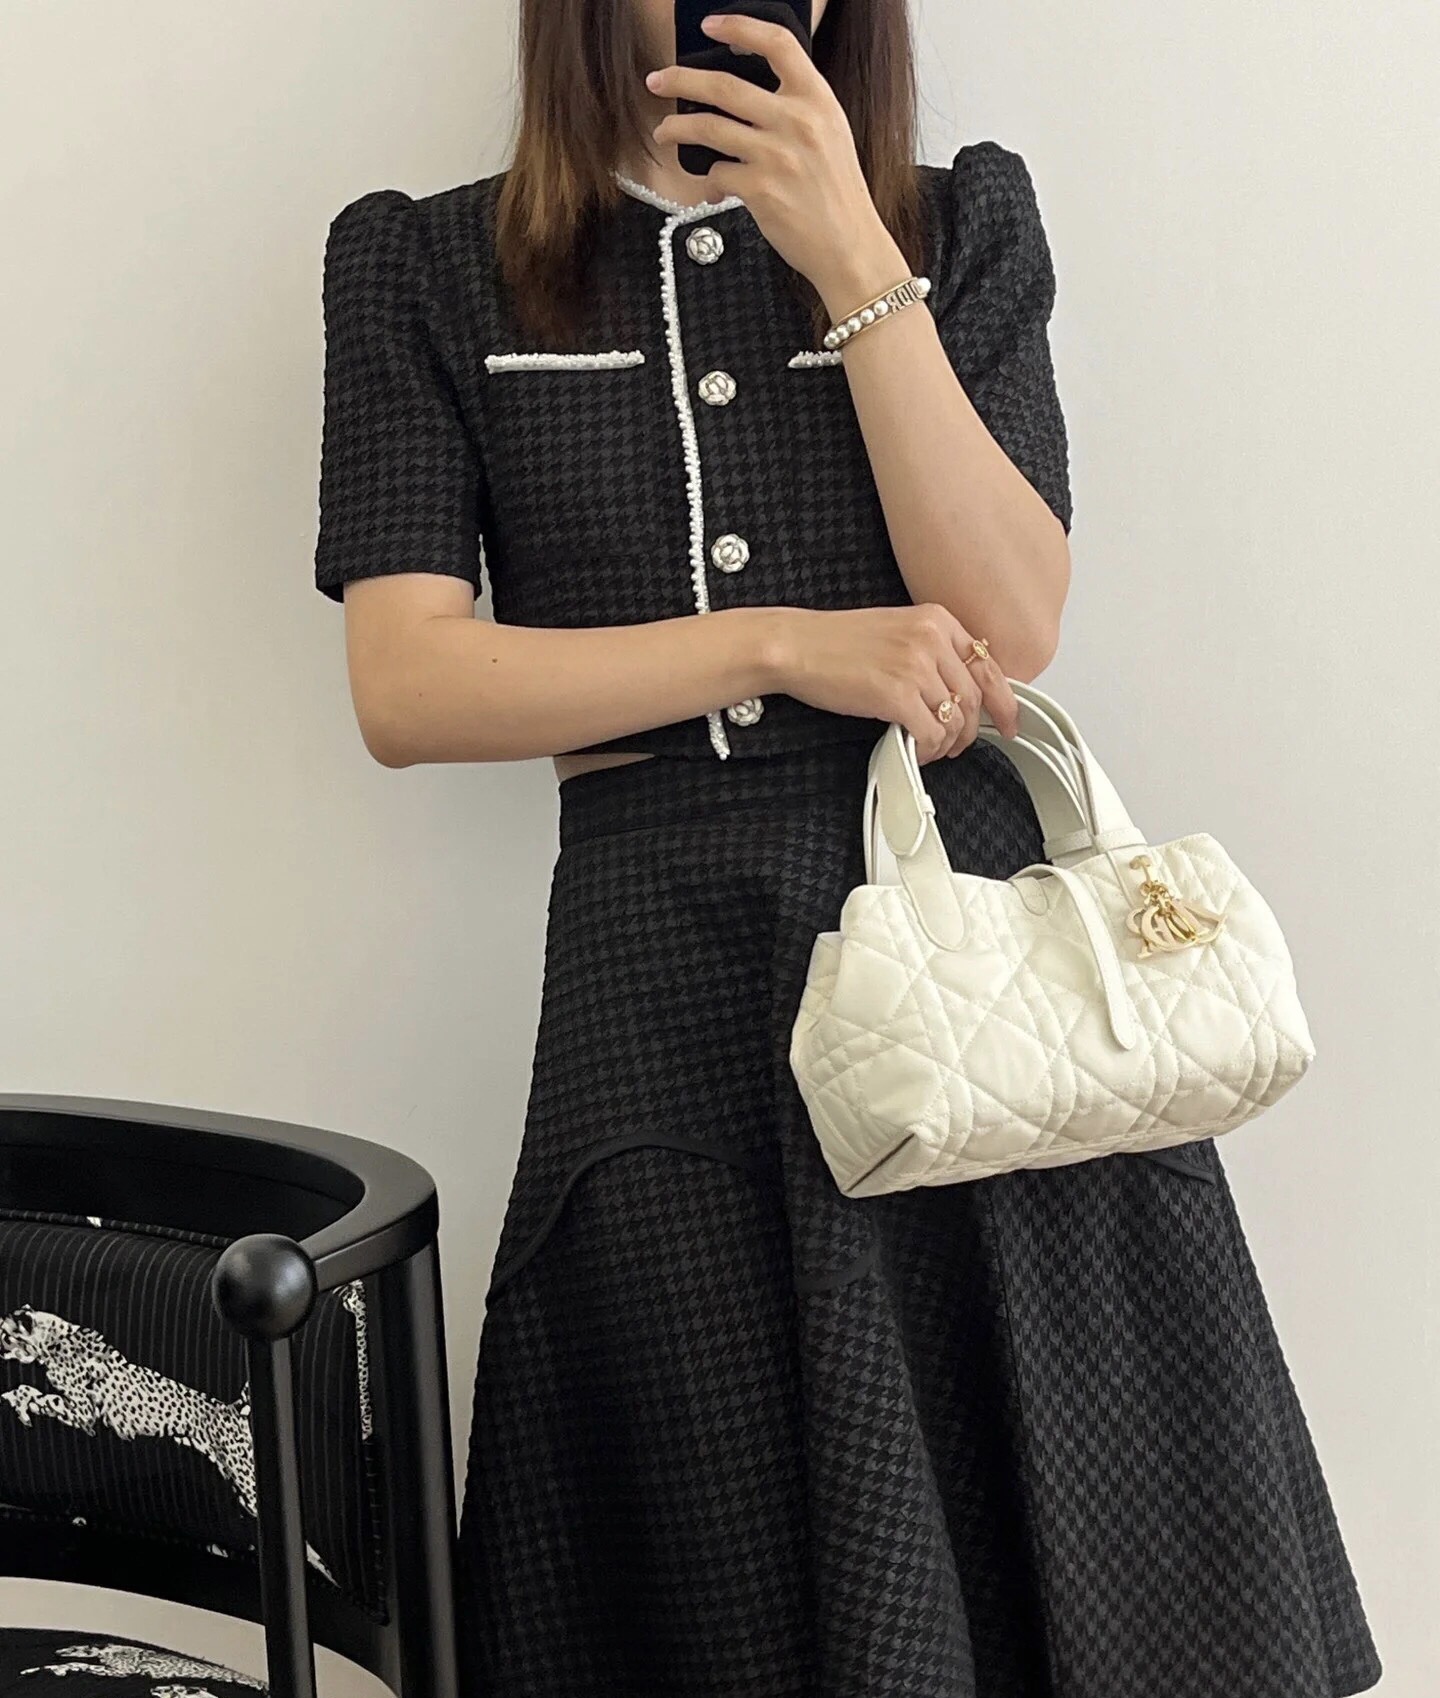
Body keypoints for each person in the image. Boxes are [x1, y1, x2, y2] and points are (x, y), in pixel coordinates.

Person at [312, 3, 1382, 1694]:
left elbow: (1010, 613)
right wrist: (779, 643)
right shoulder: (428, 268)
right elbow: (409, 684)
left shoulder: (961, 224)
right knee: (716, 1582)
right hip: (667, 994)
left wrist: (855, 260)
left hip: (987, 986)